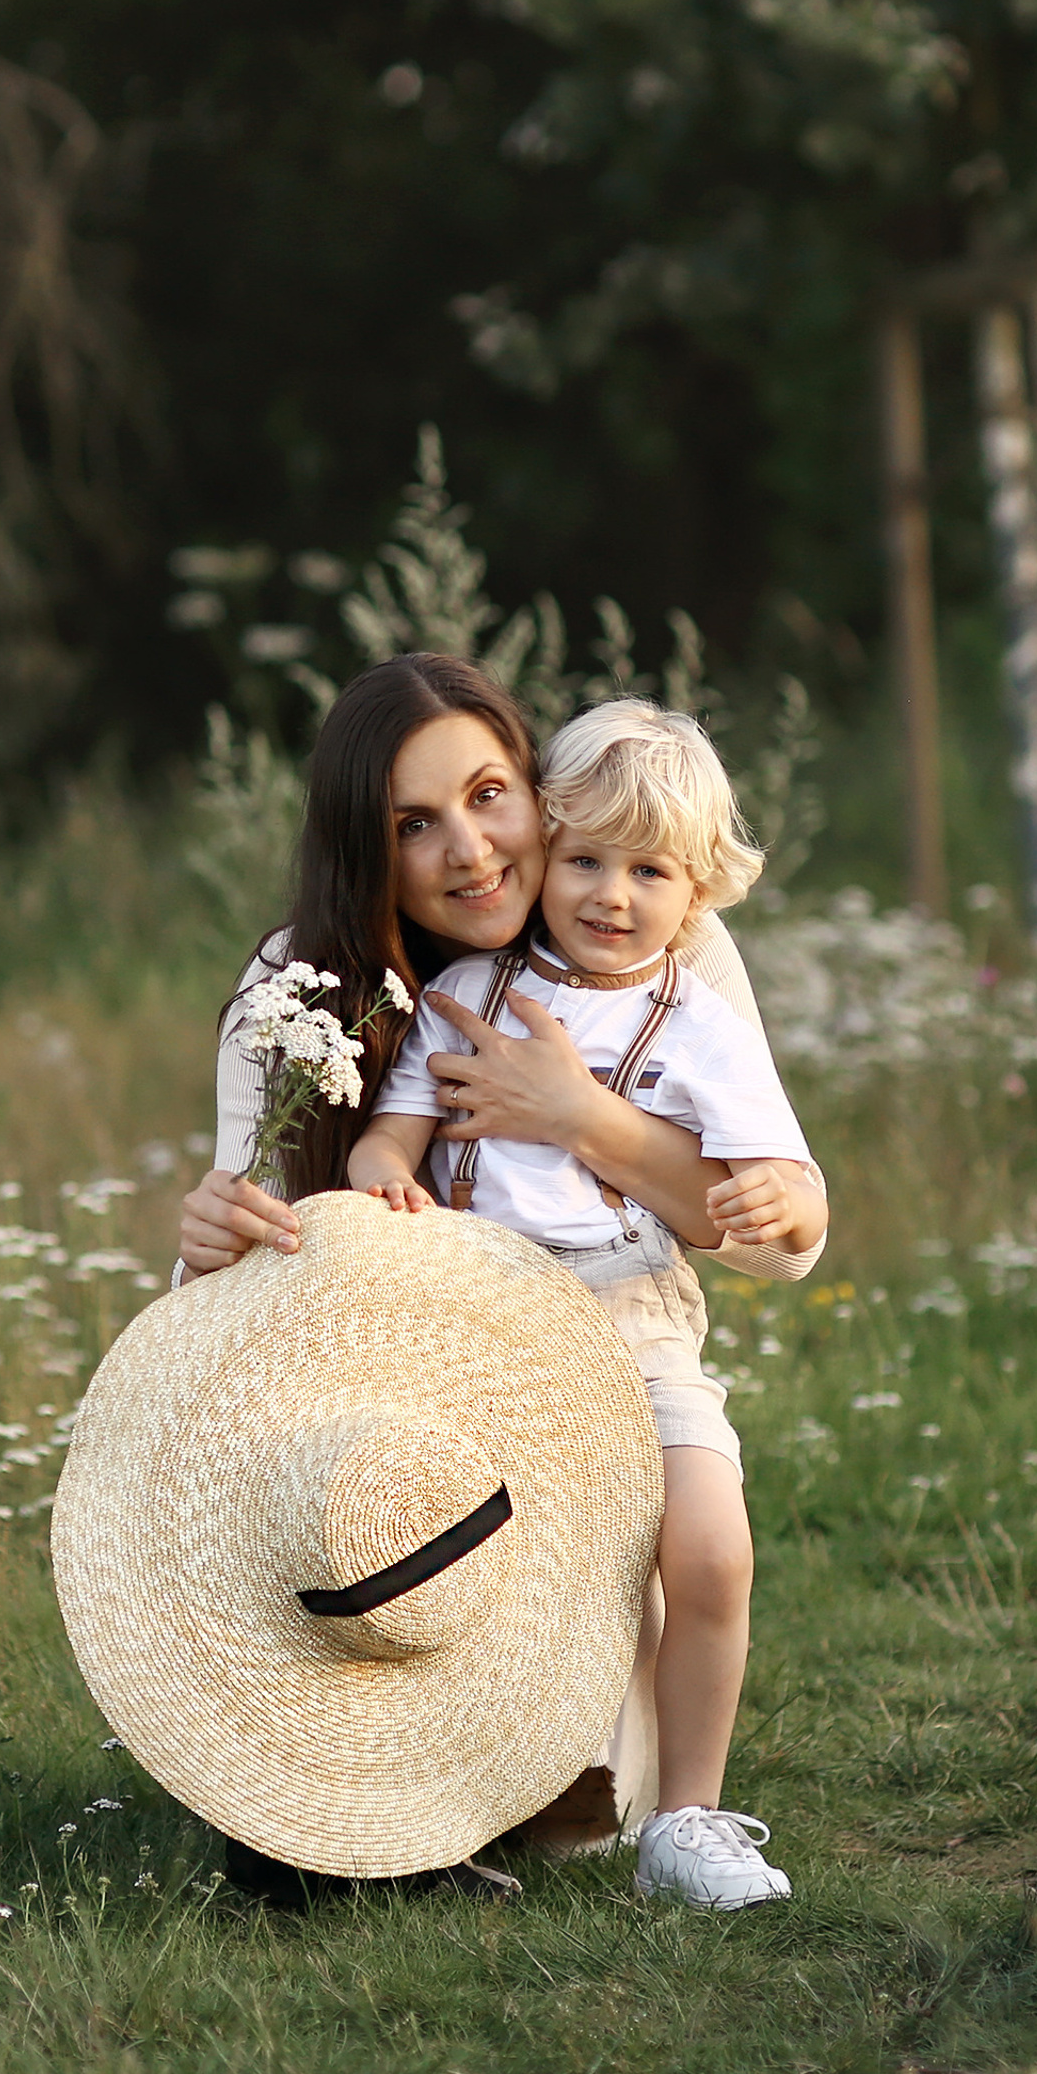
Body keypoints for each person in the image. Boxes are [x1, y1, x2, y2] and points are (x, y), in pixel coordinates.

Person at [174, 654, 819, 1890]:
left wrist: (582, 1117)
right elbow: (232, 1279)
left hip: (612, 1344)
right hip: (409, 1374)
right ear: (367, 855)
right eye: (414, 825)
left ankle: (612, 1796)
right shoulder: (298, 985)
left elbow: (788, 1243)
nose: (469, 851)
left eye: (487, 795)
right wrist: (211, 1238)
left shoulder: (665, 940)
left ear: (539, 791)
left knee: (572, 1785)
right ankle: (319, 1775)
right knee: (362, 1515)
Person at [348, 698, 824, 1907]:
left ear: (700, 888)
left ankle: (690, 1818)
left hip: (632, 1320)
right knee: (464, 1554)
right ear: (547, 851)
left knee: (710, 1545)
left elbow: (788, 1188)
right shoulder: (472, 986)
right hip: (483, 1327)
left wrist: (780, 1203)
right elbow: (389, 1133)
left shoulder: (698, 1019)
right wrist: (386, 1177)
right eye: (587, 860)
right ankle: (430, 1790)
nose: (613, 895)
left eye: (649, 870)